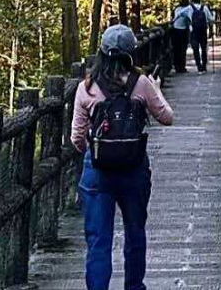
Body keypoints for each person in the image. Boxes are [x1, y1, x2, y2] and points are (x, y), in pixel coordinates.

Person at [71, 25, 174, 290]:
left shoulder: (87, 87)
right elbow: (166, 117)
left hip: (98, 172)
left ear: (101, 53)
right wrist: (156, 88)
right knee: (135, 232)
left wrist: (96, 153)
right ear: (131, 53)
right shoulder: (141, 83)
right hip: (134, 169)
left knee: (98, 241)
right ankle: (134, 286)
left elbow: (76, 138)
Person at [189, 0, 214, 73]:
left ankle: (199, 66)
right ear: (200, 1)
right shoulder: (205, 8)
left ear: (192, 1)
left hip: (193, 31)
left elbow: (184, 16)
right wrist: (211, 30)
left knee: (195, 49)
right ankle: (204, 66)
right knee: (203, 48)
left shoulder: (189, 8)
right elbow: (211, 19)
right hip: (203, 31)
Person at [170, 0, 192, 74]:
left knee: (177, 49)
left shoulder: (177, 9)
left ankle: (177, 66)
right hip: (183, 30)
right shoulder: (188, 9)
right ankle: (181, 67)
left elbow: (173, 18)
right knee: (183, 50)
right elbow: (189, 20)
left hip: (176, 30)